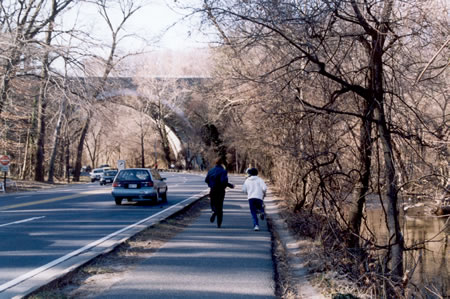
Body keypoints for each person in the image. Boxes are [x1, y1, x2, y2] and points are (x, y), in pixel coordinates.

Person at [205, 157, 234, 228]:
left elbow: (206, 180)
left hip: (213, 190)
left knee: (213, 203)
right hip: (220, 190)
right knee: (220, 206)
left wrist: (211, 185)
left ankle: (213, 211)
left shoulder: (211, 170)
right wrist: (229, 185)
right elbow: (223, 181)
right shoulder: (223, 171)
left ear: (215, 163)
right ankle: (219, 223)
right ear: (221, 163)